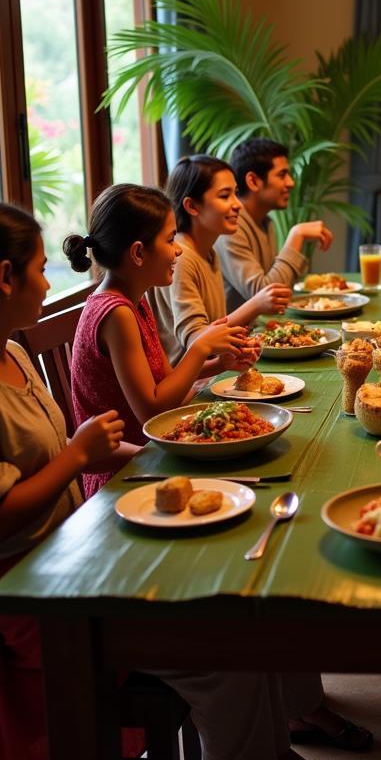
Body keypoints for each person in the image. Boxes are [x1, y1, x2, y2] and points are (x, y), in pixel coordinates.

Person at [0, 199, 339, 760]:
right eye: (36, 269)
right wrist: (78, 457)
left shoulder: (8, 351)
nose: (48, 280)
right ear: (4, 279)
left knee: (244, 594)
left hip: (79, 553)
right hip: (29, 595)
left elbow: (71, 450)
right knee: (225, 653)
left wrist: (166, 467)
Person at [67, 184, 254, 498]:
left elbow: (165, 384)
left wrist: (217, 364)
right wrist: (200, 347)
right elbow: (152, 411)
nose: (178, 249)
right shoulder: (116, 314)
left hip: (157, 454)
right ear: (139, 253)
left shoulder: (135, 300)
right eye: (170, 240)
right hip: (126, 477)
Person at [149, 155, 292, 364]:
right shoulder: (182, 257)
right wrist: (256, 305)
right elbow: (197, 340)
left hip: (213, 373)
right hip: (191, 387)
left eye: (235, 193)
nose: (238, 205)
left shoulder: (209, 252)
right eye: (225, 196)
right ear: (192, 206)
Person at [217, 138, 333, 312]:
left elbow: (280, 290)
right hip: (239, 335)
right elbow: (264, 295)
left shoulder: (265, 222)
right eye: (282, 175)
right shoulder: (231, 228)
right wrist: (296, 235)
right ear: (253, 181)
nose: (291, 183)